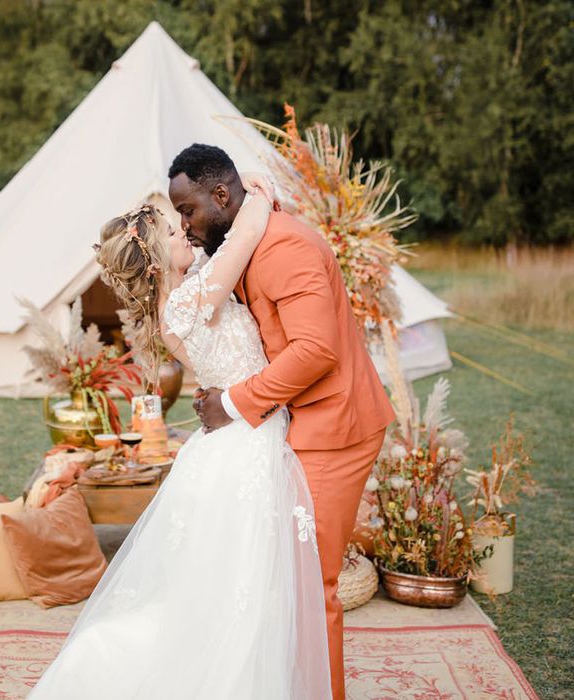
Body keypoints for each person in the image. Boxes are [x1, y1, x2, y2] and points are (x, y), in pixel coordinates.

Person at [29, 172, 332, 699]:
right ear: (157, 259)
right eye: (174, 233)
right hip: (246, 446)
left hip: (236, 439)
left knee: (232, 586)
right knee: (249, 584)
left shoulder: (176, 311)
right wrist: (256, 193)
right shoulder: (193, 299)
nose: (186, 234)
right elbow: (244, 234)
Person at [172, 144, 395, 700]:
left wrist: (231, 404)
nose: (185, 225)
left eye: (189, 211)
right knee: (278, 583)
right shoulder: (246, 235)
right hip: (292, 425)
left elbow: (316, 351)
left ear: (221, 196)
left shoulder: (285, 247)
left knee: (309, 588)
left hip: (334, 430)